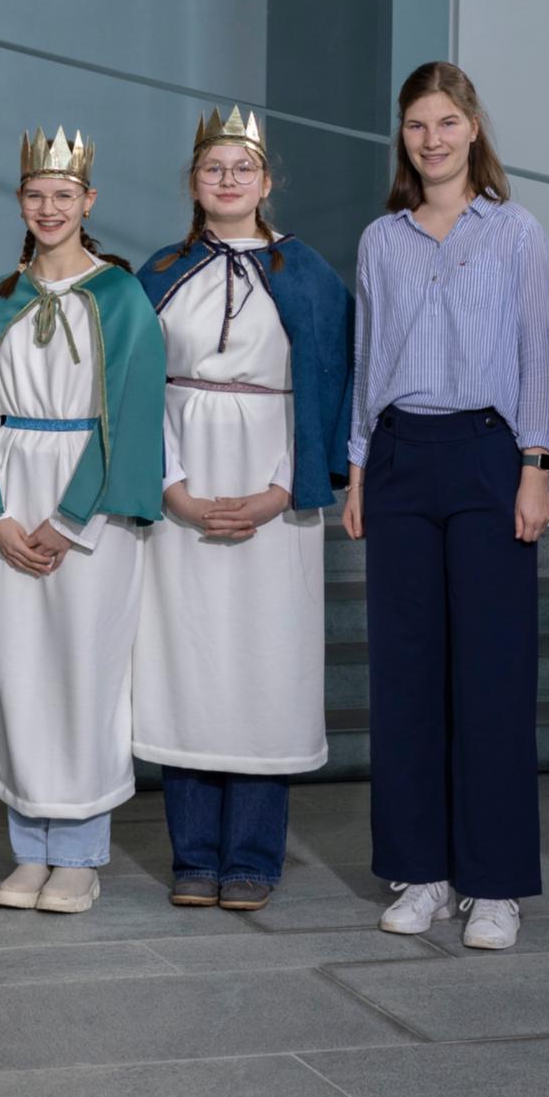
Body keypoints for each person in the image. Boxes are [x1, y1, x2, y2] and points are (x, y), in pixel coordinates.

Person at [341, 61, 549, 952]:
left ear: (473, 129)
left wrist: (536, 466)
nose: (430, 139)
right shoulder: (380, 239)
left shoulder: (516, 233)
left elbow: (538, 354)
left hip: (485, 454)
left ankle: (495, 884)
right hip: (397, 457)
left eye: (445, 122)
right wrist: (357, 470)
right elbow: (366, 363)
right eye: (416, 125)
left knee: (493, 676)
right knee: (404, 678)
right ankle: (420, 872)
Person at [0, 127, 165, 916]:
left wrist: (67, 520)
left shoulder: (121, 298)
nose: (49, 208)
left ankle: (82, 854)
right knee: (18, 668)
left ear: (88, 203)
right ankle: (31, 849)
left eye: (64, 196)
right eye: (35, 195)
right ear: (20, 203)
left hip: (87, 511)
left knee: (83, 672)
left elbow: (128, 412)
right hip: (7, 503)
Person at [134, 107, 354, 913]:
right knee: (188, 662)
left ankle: (255, 856)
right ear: (193, 183)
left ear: (267, 182)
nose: (227, 180)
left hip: (275, 491)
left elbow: (328, 386)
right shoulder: (159, 271)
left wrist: (278, 490)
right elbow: (134, 389)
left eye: (241, 168)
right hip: (180, 489)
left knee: (263, 667)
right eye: (212, 168)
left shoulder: (311, 275)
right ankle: (192, 853)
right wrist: (175, 486)